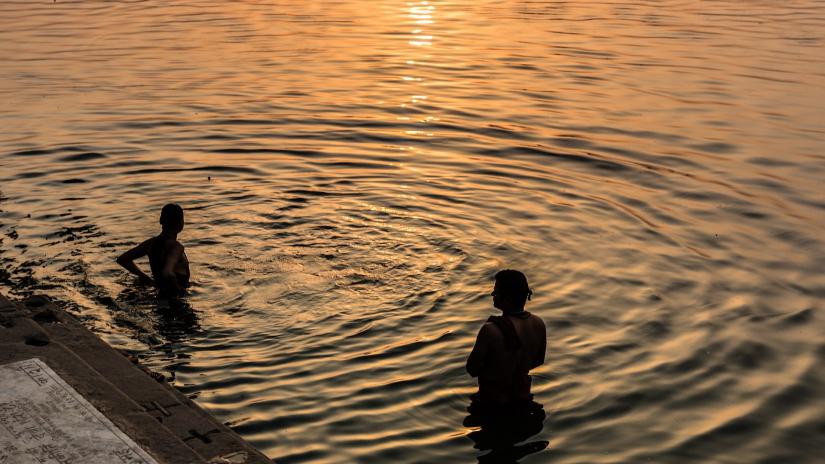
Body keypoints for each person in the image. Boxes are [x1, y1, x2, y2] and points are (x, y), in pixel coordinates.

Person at [466, 270, 546, 414]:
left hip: (493, 403)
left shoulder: (490, 330)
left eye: (496, 291)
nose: (492, 295)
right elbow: (538, 361)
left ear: (507, 298)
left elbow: (471, 369)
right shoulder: (538, 323)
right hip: (523, 399)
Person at [117, 203, 190, 296]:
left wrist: (147, 279)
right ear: (181, 223)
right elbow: (168, 273)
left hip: (158, 295)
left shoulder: (151, 243)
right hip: (174, 303)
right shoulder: (176, 247)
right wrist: (176, 292)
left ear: (160, 220)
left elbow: (123, 259)